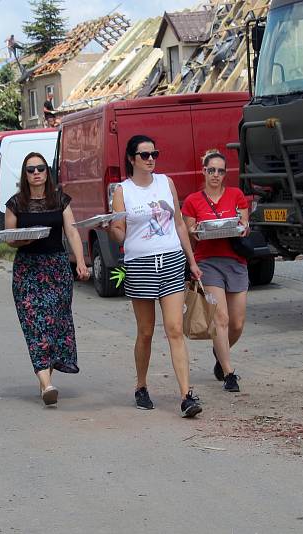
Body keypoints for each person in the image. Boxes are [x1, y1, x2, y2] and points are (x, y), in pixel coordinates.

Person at [106, 134, 204, 418]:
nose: (151, 160)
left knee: (174, 328)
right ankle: (141, 385)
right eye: (145, 155)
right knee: (146, 332)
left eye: (154, 154)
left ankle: (186, 395)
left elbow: (179, 224)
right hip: (140, 264)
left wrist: (192, 260)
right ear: (131, 158)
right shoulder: (122, 191)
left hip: (171, 259)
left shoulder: (166, 183)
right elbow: (121, 234)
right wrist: (110, 228)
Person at [4, 152, 90, 405]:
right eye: (30, 170)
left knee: (53, 325)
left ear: (47, 171)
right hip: (27, 271)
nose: (36, 173)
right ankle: (47, 383)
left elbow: (72, 232)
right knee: (35, 325)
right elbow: (9, 237)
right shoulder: (15, 203)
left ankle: (45, 383)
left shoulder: (59, 200)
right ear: (25, 174)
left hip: (56, 268)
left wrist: (81, 261)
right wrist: (24, 239)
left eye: (40, 168)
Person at [182, 150, 249, 393]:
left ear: (225, 174)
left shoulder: (236, 195)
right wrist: (196, 231)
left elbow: (244, 224)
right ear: (204, 171)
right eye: (212, 170)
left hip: (235, 261)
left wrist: (243, 227)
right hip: (208, 261)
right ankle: (229, 372)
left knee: (237, 323)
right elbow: (189, 232)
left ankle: (220, 352)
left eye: (221, 171)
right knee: (220, 318)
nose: (216, 175)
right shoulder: (193, 200)